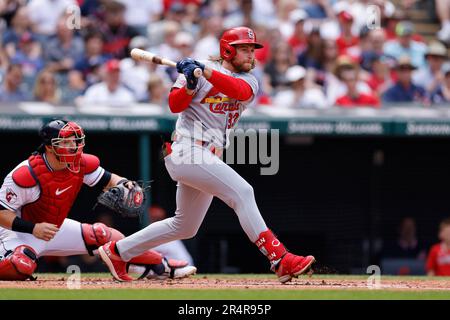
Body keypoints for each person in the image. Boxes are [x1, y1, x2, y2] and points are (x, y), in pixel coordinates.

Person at [97, 26, 315, 283]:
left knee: (185, 226)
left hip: (208, 154)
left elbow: (238, 91)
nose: (250, 55)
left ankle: (118, 251)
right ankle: (280, 259)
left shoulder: (249, 80)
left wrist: (205, 72)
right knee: (243, 193)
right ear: (228, 50)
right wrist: (190, 84)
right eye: (244, 49)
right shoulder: (196, 73)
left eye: (252, 50)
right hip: (186, 149)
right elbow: (174, 104)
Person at [0, 119, 196, 281]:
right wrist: (33, 229)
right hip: (18, 233)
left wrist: (126, 184)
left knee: (104, 235)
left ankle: (160, 267)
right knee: (20, 266)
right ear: (50, 147)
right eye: (66, 142)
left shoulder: (79, 163)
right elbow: (1, 214)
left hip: (52, 228)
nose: (73, 146)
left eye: (75, 141)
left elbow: (109, 179)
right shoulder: (26, 174)